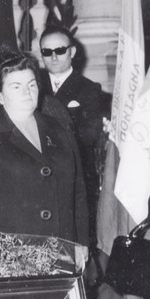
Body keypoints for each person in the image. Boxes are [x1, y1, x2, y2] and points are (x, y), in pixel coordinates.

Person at [0, 51, 89, 249]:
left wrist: (82, 245)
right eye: (16, 86)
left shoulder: (59, 128)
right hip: (9, 257)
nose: (27, 92)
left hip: (62, 251)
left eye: (31, 85)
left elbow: (78, 193)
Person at [39, 25, 106, 248]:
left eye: (59, 50)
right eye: (47, 52)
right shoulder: (33, 86)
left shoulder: (89, 89)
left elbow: (89, 135)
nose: (54, 57)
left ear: (72, 52)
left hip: (73, 170)